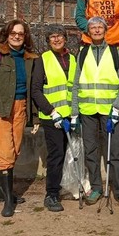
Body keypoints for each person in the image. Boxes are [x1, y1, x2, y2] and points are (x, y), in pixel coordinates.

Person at [70, 16, 119, 209]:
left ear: (105, 31)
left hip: (109, 111)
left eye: (100, 28)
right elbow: (76, 85)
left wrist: (116, 108)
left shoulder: (114, 53)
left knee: (115, 153)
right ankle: (96, 187)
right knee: (91, 152)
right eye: (93, 28)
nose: (96, 31)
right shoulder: (83, 53)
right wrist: (74, 113)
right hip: (87, 111)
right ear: (89, 32)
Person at [0, 19, 38, 217]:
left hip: (21, 109)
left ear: (25, 36)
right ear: (7, 34)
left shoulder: (30, 58)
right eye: (13, 33)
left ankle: (2, 191)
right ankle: (8, 200)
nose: (17, 36)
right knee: (5, 152)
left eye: (21, 33)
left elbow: (35, 89)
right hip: (0, 110)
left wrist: (35, 117)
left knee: (15, 150)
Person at [30, 24, 76, 212]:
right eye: (52, 37)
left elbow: (76, 87)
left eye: (59, 36)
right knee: (56, 156)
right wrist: (51, 112)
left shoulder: (73, 59)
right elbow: (36, 90)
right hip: (53, 117)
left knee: (72, 154)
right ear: (48, 41)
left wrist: (75, 113)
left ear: (65, 38)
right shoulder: (43, 60)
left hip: (70, 115)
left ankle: (71, 186)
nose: (56, 39)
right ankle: (51, 194)